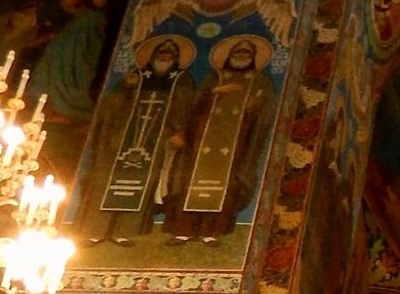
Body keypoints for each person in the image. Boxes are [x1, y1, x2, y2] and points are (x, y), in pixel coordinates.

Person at [80, 36, 199, 245]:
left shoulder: (182, 79)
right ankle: (95, 230)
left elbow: (185, 106)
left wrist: (178, 131)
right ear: (152, 56)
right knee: (106, 180)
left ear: (176, 58)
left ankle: (125, 231)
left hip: (157, 139)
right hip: (122, 138)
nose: (164, 58)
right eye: (161, 54)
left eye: (169, 55)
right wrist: (127, 88)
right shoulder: (135, 77)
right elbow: (113, 105)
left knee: (145, 182)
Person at [162, 37, 272, 242]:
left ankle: (210, 232)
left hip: (235, 142)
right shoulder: (215, 78)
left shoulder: (260, 80)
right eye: (237, 53)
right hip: (203, 139)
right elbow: (195, 103)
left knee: (227, 184)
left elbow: (265, 108)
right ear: (230, 56)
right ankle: (184, 230)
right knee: (190, 180)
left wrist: (255, 106)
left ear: (253, 58)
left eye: (246, 54)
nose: (241, 57)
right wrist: (215, 92)